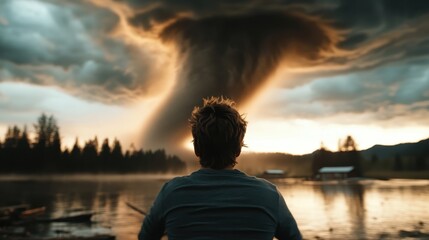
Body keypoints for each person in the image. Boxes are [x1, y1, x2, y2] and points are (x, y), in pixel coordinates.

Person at [138, 96, 302, 240]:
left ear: (196, 149)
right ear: (238, 150)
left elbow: (145, 237)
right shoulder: (269, 195)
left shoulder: (171, 192)